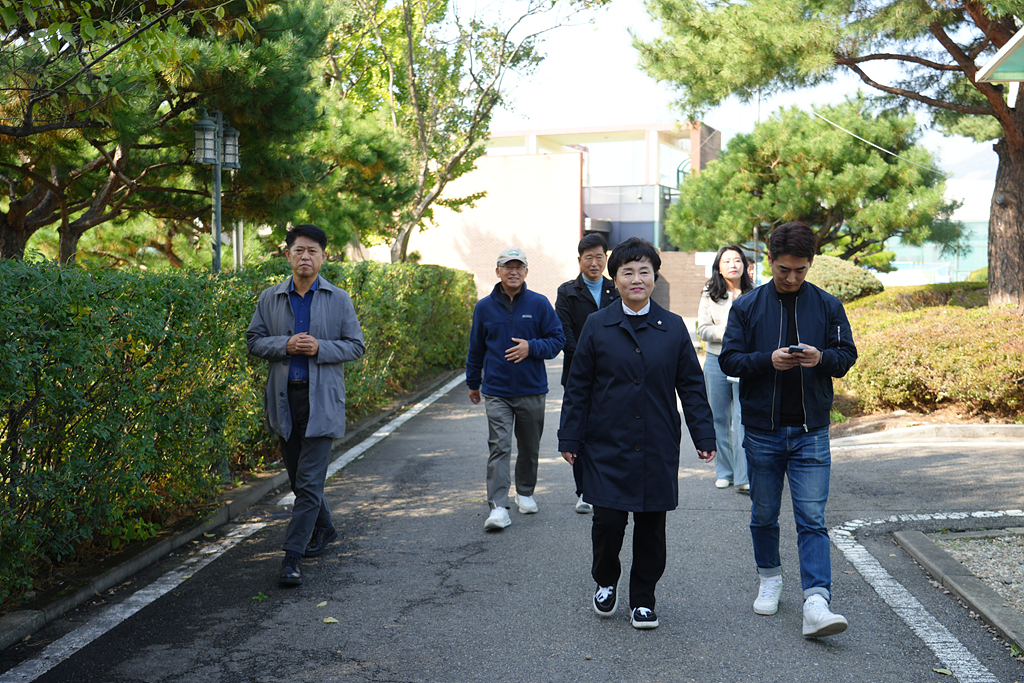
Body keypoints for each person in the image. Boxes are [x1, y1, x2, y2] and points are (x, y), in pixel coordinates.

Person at [558, 237, 716, 630]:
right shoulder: (598, 325)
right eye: (627, 272)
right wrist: (569, 437)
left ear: (654, 276)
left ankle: (643, 599)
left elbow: (691, 387)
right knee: (608, 521)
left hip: (656, 443)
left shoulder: (673, 327)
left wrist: (704, 435)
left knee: (651, 526)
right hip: (606, 443)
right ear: (616, 279)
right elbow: (579, 386)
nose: (636, 278)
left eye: (644, 271)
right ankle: (605, 581)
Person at [719, 221, 858, 638]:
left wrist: (822, 359)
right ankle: (770, 578)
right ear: (769, 262)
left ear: (810, 264)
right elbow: (729, 359)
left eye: (800, 269)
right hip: (762, 428)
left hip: (811, 429)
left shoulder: (828, 305)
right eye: (784, 270)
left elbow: (847, 354)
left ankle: (816, 600)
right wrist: (767, 360)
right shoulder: (747, 306)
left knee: (812, 517)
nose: (792, 277)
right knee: (763, 514)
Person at [246, 224, 366, 587]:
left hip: (322, 401)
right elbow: (254, 341)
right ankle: (325, 528)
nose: (305, 257)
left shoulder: (338, 298)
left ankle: (291, 557)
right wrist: (286, 345)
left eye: (313, 251)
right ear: (288, 255)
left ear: (323, 256)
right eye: (299, 250)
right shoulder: (270, 298)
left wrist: (320, 348)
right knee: (302, 481)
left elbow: (356, 346)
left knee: (309, 482)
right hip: (285, 400)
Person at [466, 247, 565, 531]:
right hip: (496, 391)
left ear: (526, 272)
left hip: (532, 390)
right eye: (507, 267)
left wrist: (531, 347)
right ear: (497, 271)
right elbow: (476, 348)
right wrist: (473, 382)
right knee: (499, 446)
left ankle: (525, 492)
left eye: (518, 267)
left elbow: (558, 340)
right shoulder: (484, 307)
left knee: (529, 447)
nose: (513, 272)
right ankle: (498, 507)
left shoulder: (539, 304)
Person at [554, 233, 620, 514]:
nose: (594, 262)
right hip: (578, 376)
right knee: (579, 433)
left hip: (614, 375)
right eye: (588, 257)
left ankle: (610, 484)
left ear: (607, 259)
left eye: (599, 257)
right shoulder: (567, 291)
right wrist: (589, 360)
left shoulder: (616, 289)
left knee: (611, 430)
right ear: (579, 260)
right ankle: (584, 491)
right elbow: (564, 334)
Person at [697, 245, 753, 492]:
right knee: (719, 418)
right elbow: (702, 330)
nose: (733, 264)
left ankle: (743, 477)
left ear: (744, 265)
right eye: (727, 261)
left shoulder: (756, 293)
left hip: (745, 362)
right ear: (718, 266)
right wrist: (727, 331)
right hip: (716, 360)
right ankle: (724, 471)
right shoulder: (710, 293)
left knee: (743, 419)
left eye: (737, 260)